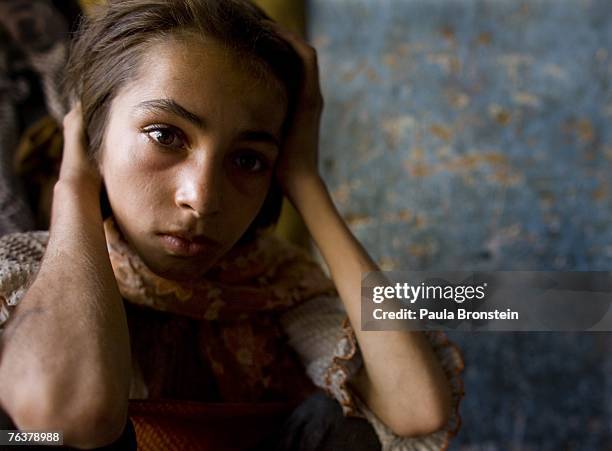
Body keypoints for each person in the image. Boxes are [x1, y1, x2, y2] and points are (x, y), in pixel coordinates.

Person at [0, 0, 464, 449]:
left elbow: (416, 409)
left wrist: (304, 180)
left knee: (346, 422)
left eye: (247, 160)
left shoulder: (267, 285)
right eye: (165, 135)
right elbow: (69, 417)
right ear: (93, 136)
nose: (201, 199)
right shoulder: (27, 273)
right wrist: (76, 184)